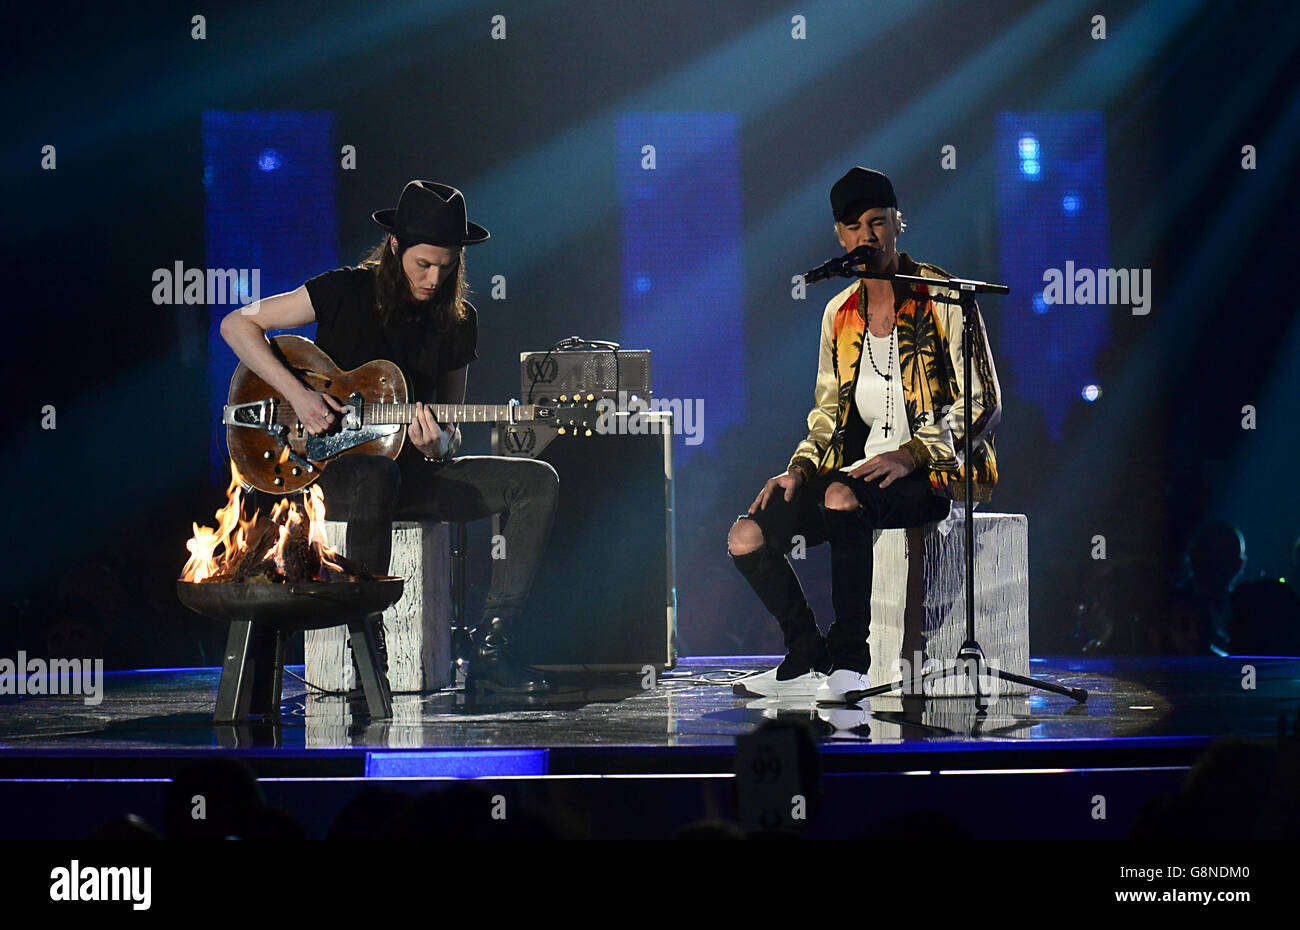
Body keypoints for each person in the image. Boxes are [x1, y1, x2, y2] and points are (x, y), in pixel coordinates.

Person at [220, 180, 558, 694]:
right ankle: (367, 647)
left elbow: (450, 427)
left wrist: (439, 446)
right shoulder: (341, 291)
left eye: (446, 267)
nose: (433, 277)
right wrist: (302, 396)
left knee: (536, 481)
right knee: (378, 472)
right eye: (424, 264)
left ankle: (493, 648)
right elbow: (236, 326)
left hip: (412, 477)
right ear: (396, 246)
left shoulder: (458, 322)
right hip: (336, 475)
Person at [727, 167, 1002, 701]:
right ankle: (806, 655)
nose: (866, 237)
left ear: (900, 223)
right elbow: (827, 412)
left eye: (877, 223)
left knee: (840, 495)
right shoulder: (839, 313)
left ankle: (851, 662)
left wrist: (913, 453)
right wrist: (799, 468)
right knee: (747, 535)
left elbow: (984, 402)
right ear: (839, 237)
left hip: (936, 471)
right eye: (853, 227)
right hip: (857, 471)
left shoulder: (944, 299)